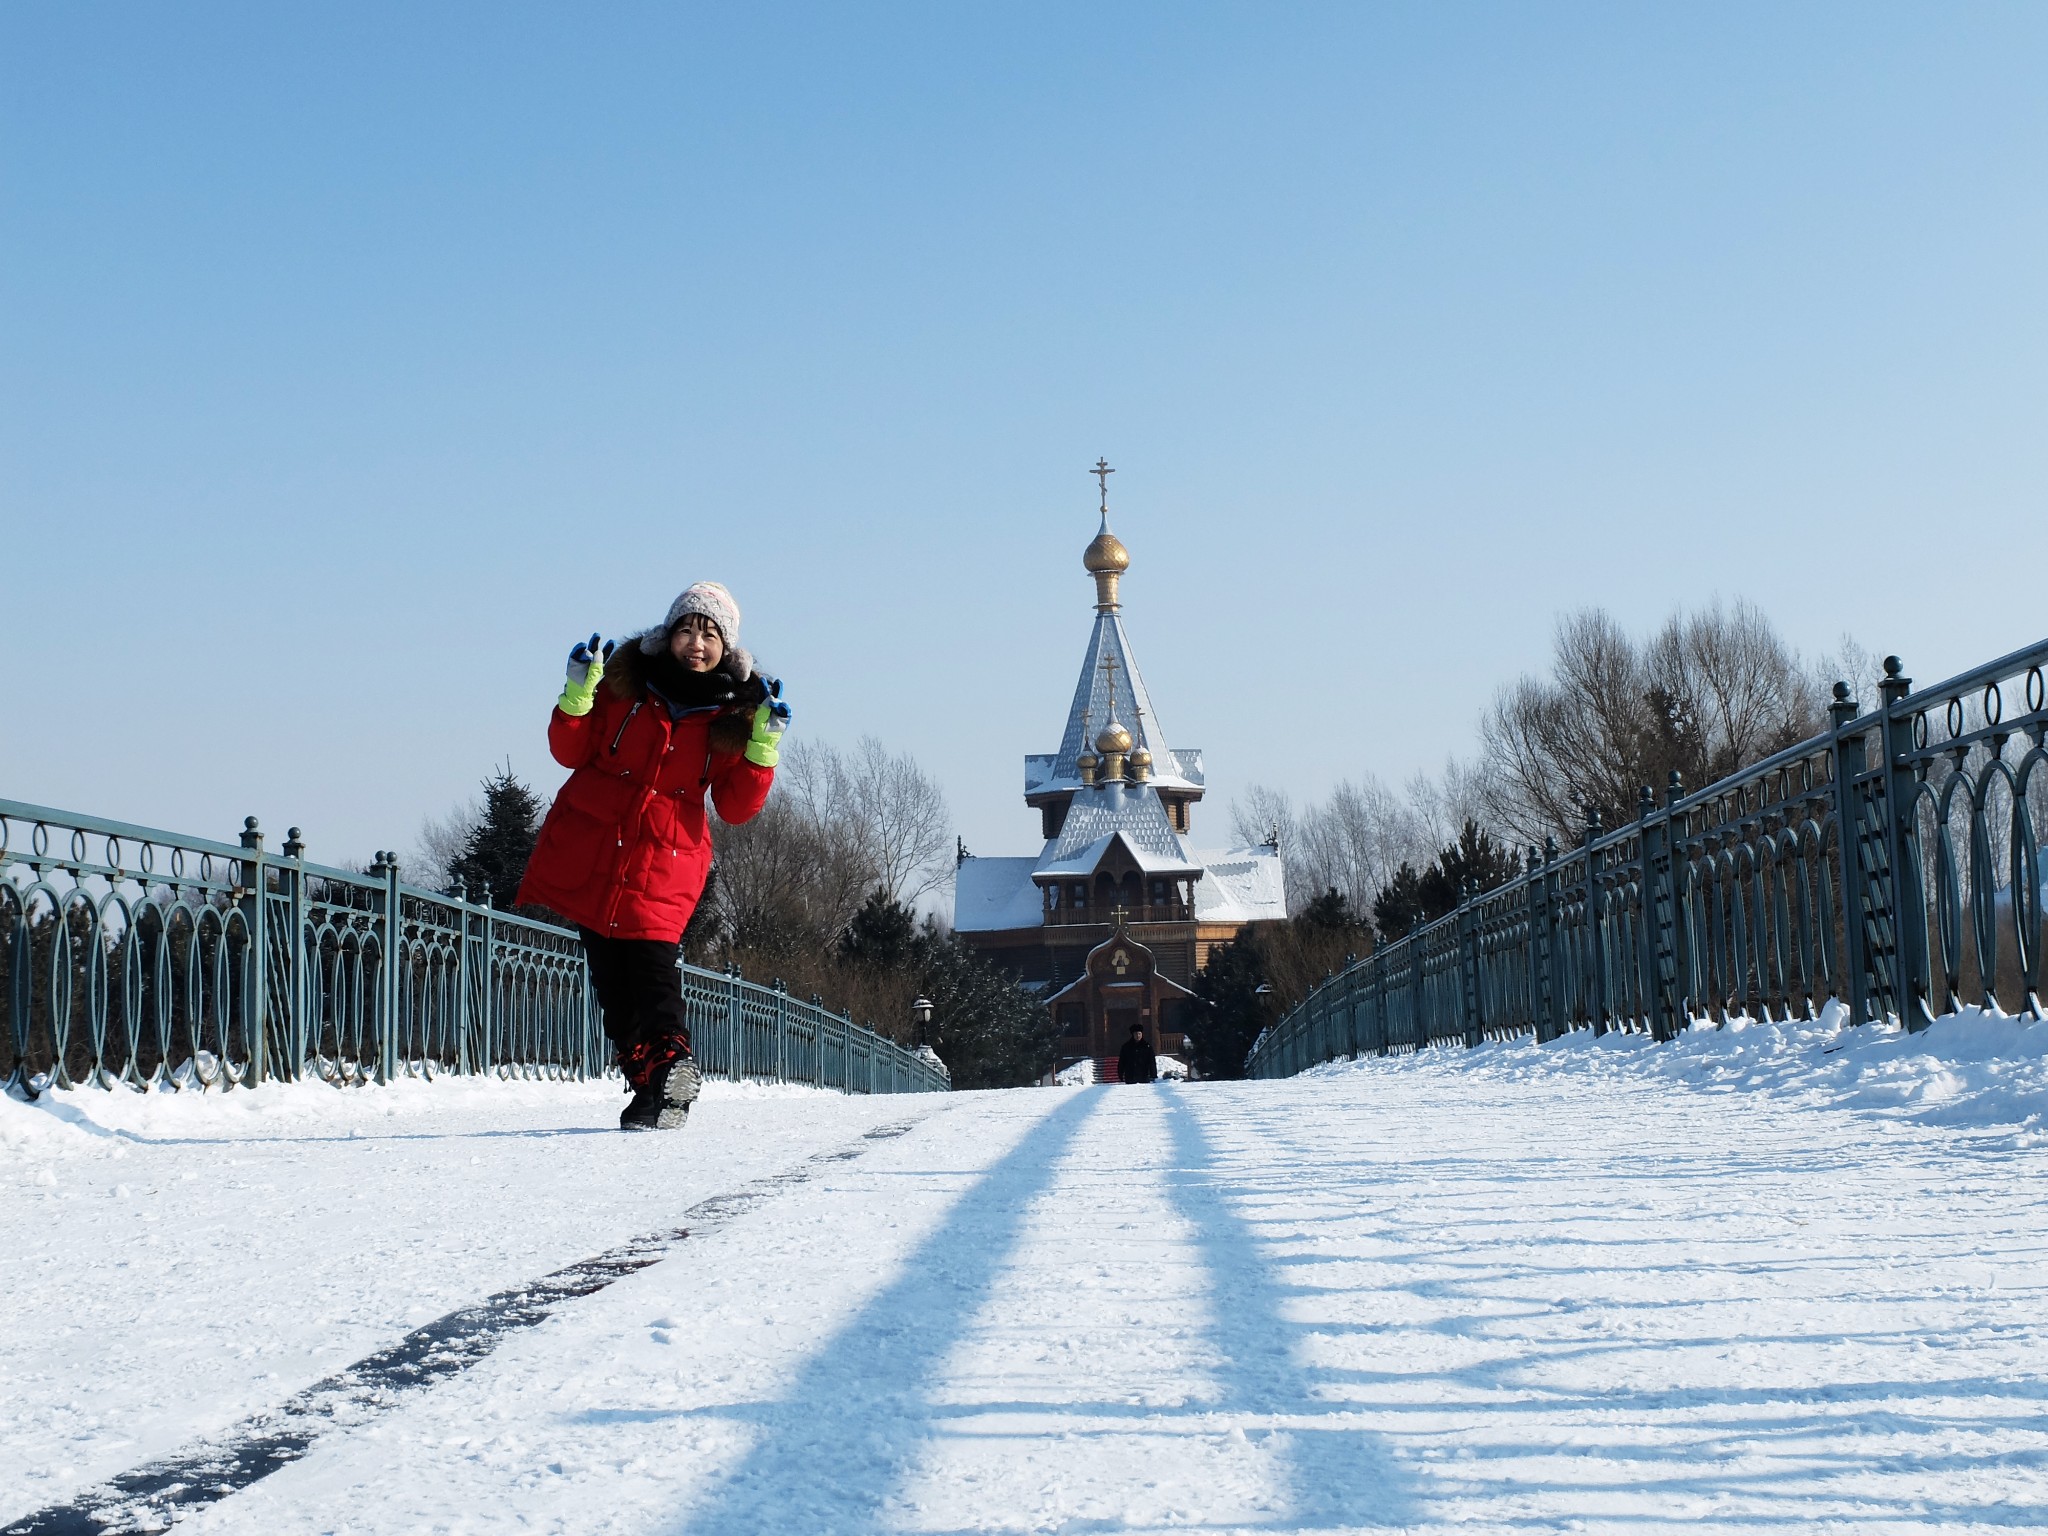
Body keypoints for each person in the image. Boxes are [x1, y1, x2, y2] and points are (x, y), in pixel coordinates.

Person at [516, 582, 788, 1131]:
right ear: (666, 636)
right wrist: (576, 696)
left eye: (710, 634)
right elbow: (570, 751)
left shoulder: (735, 713)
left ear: (727, 648)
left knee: (653, 970)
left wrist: (762, 749)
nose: (696, 642)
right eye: (687, 628)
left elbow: (735, 807)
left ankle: (674, 1060)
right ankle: (650, 1092)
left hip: (665, 858)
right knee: (612, 988)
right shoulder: (623, 683)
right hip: (595, 847)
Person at [1117, 1021, 1157, 1085]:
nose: (1138, 1036)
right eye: (1136, 1034)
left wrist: (1153, 1074)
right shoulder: (1126, 1047)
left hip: (1144, 1077)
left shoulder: (1147, 1047)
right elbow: (1122, 1061)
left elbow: (1152, 1062)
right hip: (1130, 1077)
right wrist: (1120, 1074)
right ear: (1133, 1035)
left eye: (1139, 1034)